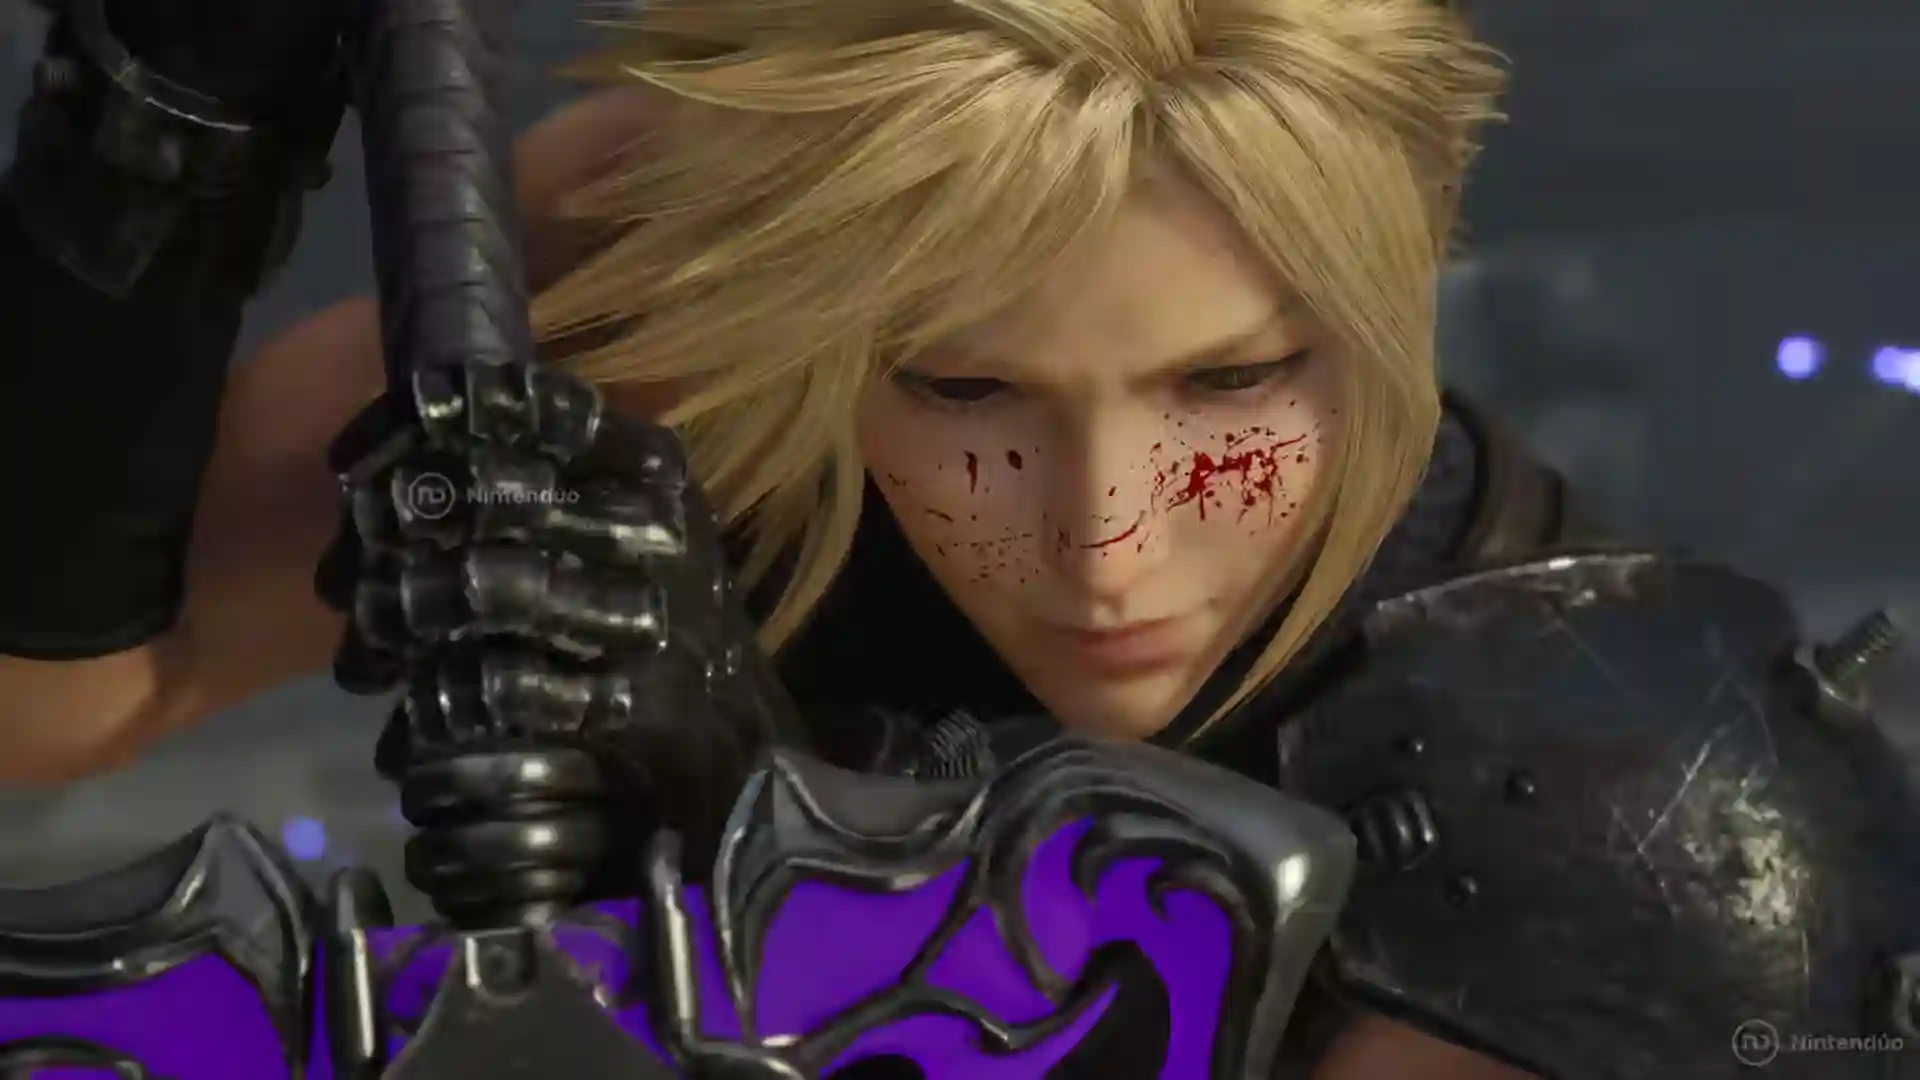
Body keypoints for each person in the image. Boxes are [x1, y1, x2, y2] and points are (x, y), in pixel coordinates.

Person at [1, 0, 1913, 1077]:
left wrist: (763, 810)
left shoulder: (1650, 830)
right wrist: (166, 116)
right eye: (963, 391)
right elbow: (59, 703)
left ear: (1392, 294)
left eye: (1229, 385)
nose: (1100, 541)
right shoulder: (748, 257)